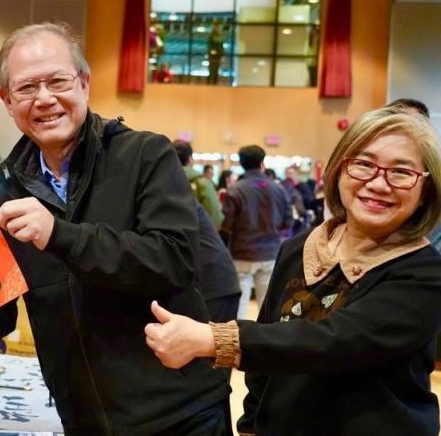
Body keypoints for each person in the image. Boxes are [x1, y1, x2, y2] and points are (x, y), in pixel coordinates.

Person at [0, 22, 230, 435]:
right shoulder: (7, 190)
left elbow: (174, 260)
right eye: (26, 88)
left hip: (177, 412)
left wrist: (60, 234)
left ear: (85, 83)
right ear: (7, 100)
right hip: (82, 416)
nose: (45, 98)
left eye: (58, 80)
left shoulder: (145, 154)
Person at [145, 107, 441, 436]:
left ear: (426, 189)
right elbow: (267, 355)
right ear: (340, 169)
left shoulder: (423, 272)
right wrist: (251, 425)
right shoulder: (301, 247)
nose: (378, 183)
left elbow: (335, 341)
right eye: (363, 164)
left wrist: (213, 339)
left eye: (401, 172)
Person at [220, 145, 293, 319]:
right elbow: (288, 221)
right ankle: (263, 344)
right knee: (267, 308)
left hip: (241, 253)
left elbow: (226, 225)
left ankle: (238, 344)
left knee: (240, 308)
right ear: (262, 163)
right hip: (270, 253)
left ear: (242, 164)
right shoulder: (278, 189)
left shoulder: (235, 190)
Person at [174, 139, 224, 228]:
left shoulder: (160, 180)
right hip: (195, 236)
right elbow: (215, 218)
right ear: (190, 159)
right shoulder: (203, 183)